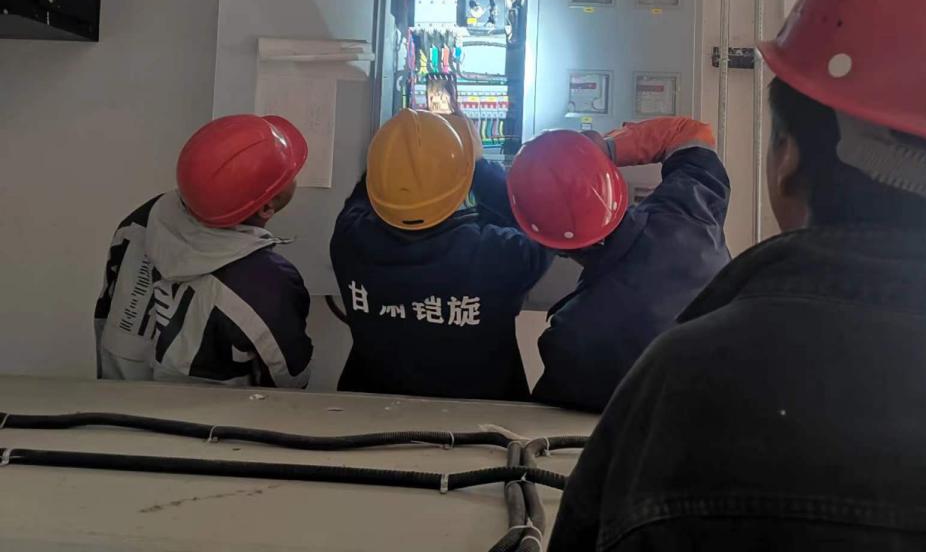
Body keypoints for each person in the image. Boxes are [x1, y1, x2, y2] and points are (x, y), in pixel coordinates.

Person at [548, 0, 926, 550]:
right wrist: (608, 146)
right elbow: (690, 140)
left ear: (788, 157)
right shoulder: (686, 213)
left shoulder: (678, 382)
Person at [507, 116, 730, 411]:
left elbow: (548, 423)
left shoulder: (572, 337)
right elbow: (689, 132)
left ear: (553, 247)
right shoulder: (689, 210)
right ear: (613, 185)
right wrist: (609, 148)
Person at [330, 108, 551, 401]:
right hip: (484, 419)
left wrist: (396, 155)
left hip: (369, 413)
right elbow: (538, 225)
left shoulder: (350, 240)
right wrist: (477, 164)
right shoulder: (500, 255)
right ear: (462, 183)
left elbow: (367, 191)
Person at [95, 114, 314, 388]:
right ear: (267, 207)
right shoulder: (266, 282)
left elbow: (104, 317)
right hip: (209, 415)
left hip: (117, 402)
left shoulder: (141, 221)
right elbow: (289, 381)